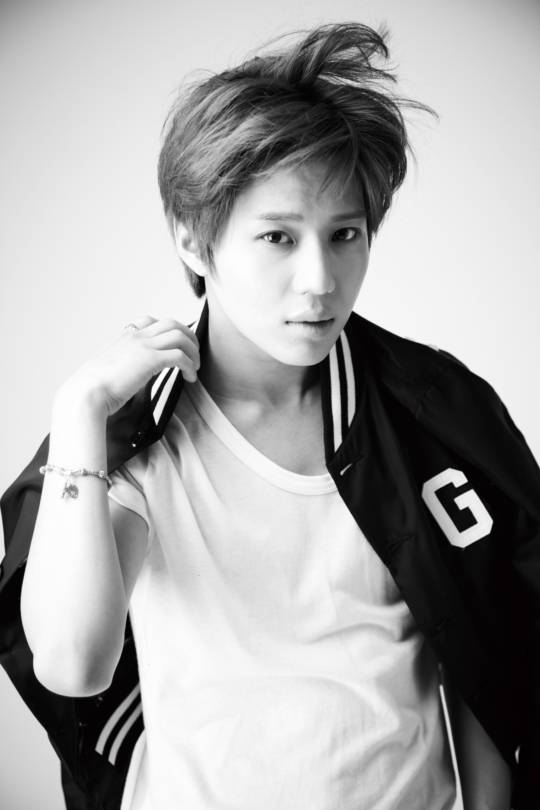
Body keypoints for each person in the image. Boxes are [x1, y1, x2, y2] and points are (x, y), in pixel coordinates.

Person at [1, 20, 538, 810]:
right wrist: (79, 410)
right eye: (278, 237)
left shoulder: (429, 414)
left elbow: (485, 650)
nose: (320, 280)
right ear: (194, 241)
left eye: (345, 234)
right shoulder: (143, 437)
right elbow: (73, 665)